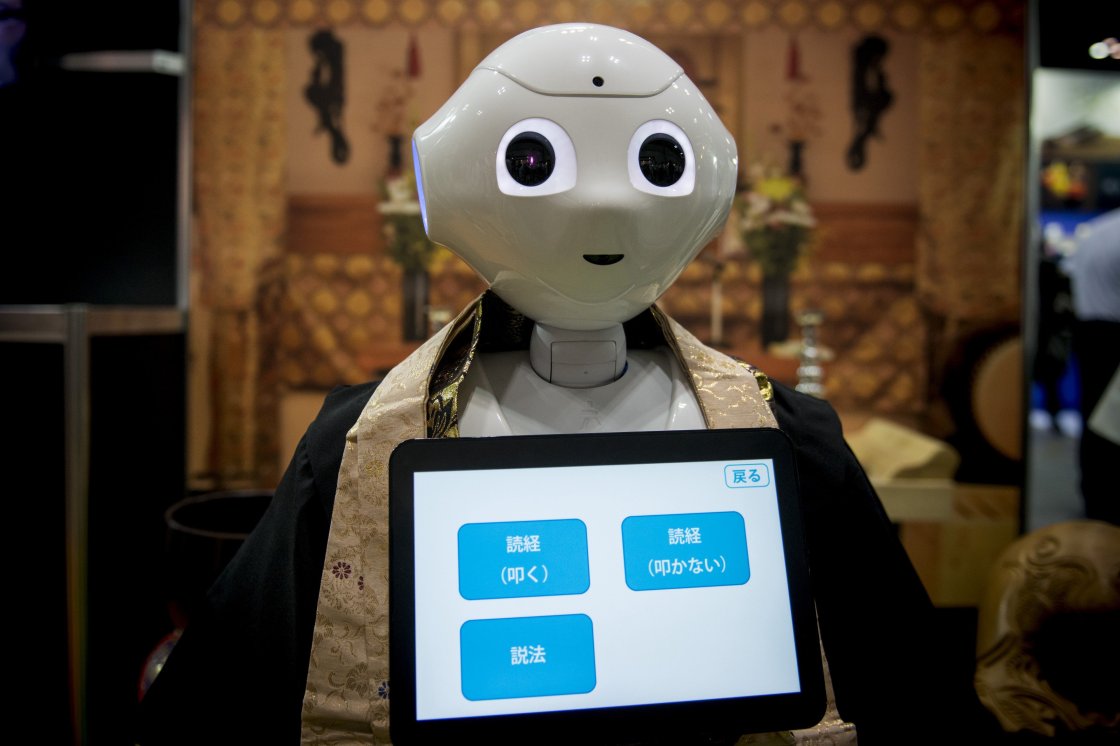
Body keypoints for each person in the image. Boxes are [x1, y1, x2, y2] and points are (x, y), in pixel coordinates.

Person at [137, 23, 998, 745]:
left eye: (655, 161)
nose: (603, 204)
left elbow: (910, 691)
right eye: (535, 160)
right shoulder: (360, 448)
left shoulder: (792, 441)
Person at [1066, 207, 1120, 524]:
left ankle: (1094, 495)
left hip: (1089, 331)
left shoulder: (1096, 230)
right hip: (1112, 336)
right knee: (1111, 424)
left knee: (1094, 418)